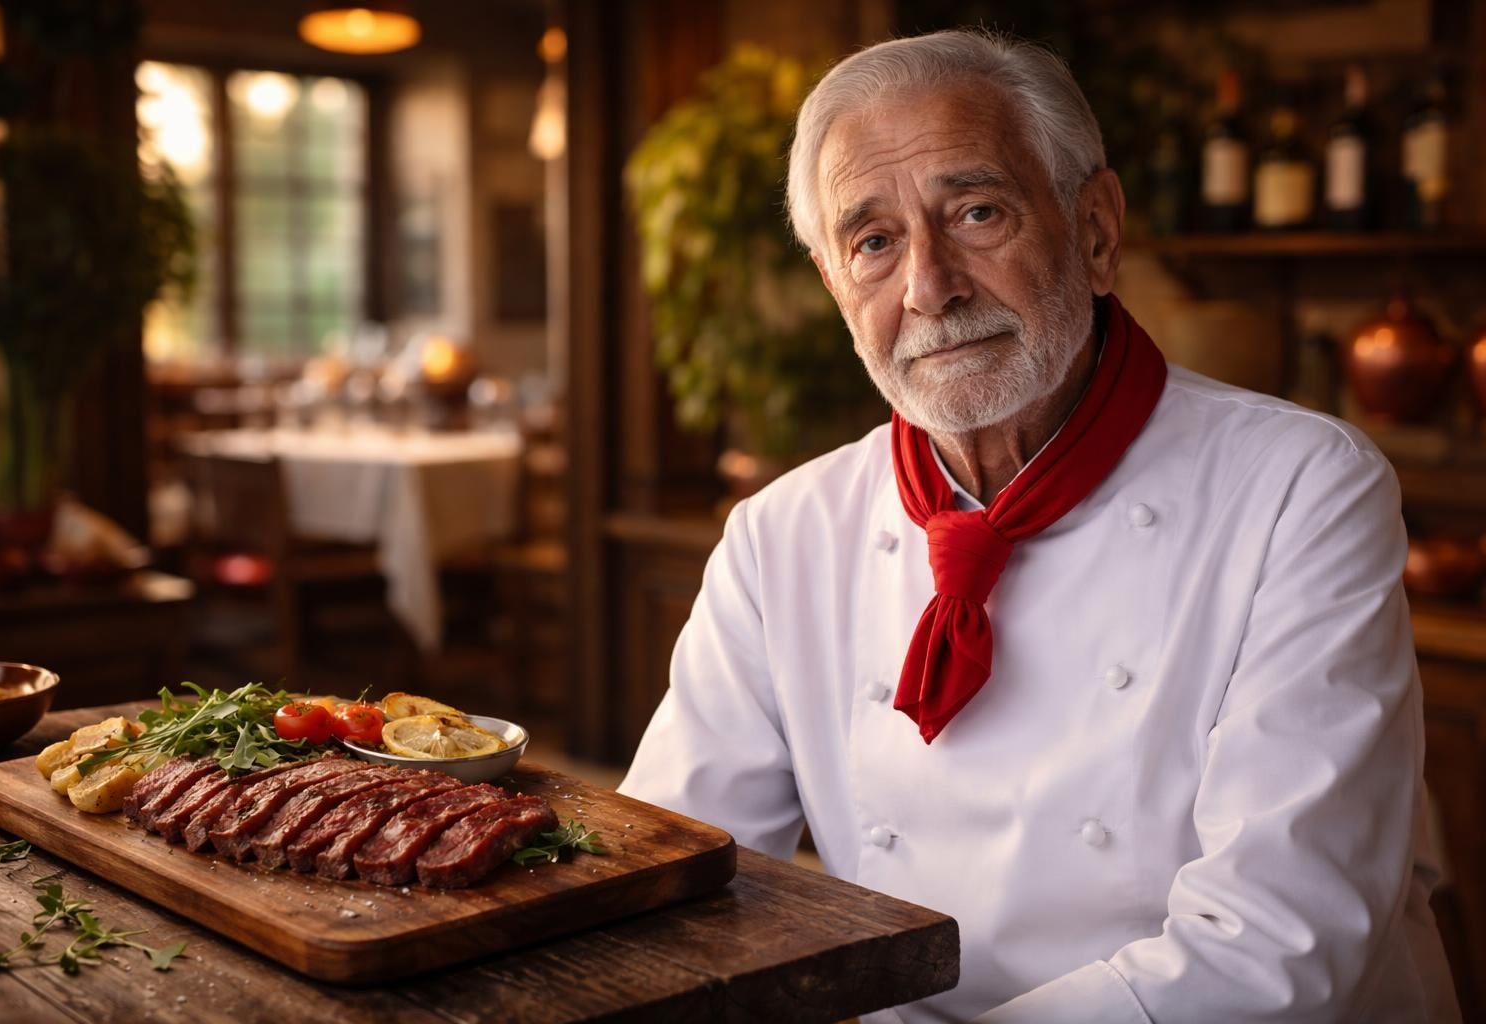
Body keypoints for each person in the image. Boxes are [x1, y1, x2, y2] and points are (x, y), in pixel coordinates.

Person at [618, 28, 1460, 1024]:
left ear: (1097, 230)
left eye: (977, 212)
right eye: (874, 241)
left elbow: (1278, 944)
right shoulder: (781, 536)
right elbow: (672, 879)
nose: (929, 287)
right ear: (834, 282)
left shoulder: (1304, 489)